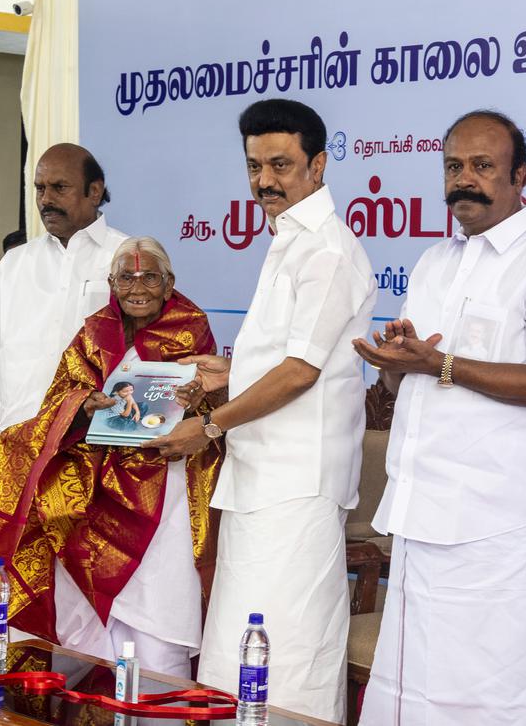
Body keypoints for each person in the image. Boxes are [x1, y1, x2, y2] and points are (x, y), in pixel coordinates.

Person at [352, 110, 526, 724]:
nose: (465, 179)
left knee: (489, 701)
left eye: (483, 166)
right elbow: (418, 374)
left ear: (520, 178)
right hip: (420, 515)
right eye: (454, 166)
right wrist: (396, 362)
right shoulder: (434, 262)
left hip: (496, 530)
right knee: (411, 697)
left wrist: (439, 362)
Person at [146, 98, 375, 722]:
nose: (264, 181)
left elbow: (301, 372)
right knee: (236, 650)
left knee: (288, 653)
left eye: (280, 164)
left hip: (298, 485)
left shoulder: (327, 249)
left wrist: (211, 423)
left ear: (319, 164)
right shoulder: (285, 242)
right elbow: (288, 359)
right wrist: (223, 376)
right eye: (254, 166)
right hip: (256, 475)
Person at [0, 237, 223, 676]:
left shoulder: (191, 327)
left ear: (168, 283)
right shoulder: (94, 330)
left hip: (166, 492)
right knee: (83, 615)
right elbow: (58, 400)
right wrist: (84, 404)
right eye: (126, 277)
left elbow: (213, 405)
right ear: (111, 284)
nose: (138, 286)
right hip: (95, 490)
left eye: (149, 276)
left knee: (156, 618)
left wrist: (194, 402)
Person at [0, 143, 127, 510]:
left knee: (85, 568)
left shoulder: (127, 257)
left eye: (59, 188)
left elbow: (146, 358)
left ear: (94, 191)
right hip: (16, 452)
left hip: (93, 454)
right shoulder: (15, 264)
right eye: (39, 188)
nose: (46, 199)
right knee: (11, 567)